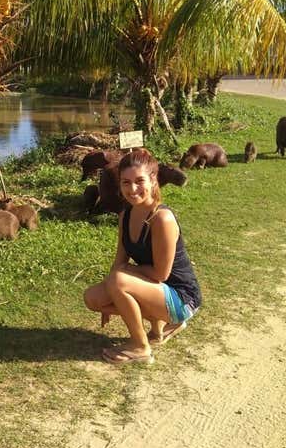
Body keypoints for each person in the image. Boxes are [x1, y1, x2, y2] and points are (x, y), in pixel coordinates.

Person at [83, 148, 201, 364]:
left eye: (139, 181)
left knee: (120, 279)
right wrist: (112, 291)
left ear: (153, 179)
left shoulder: (161, 219)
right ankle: (158, 329)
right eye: (126, 182)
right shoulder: (125, 215)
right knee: (93, 298)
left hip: (182, 297)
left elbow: (161, 274)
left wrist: (122, 277)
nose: (132, 189)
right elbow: (120, 260)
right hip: (153, 288)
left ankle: (140, 347)